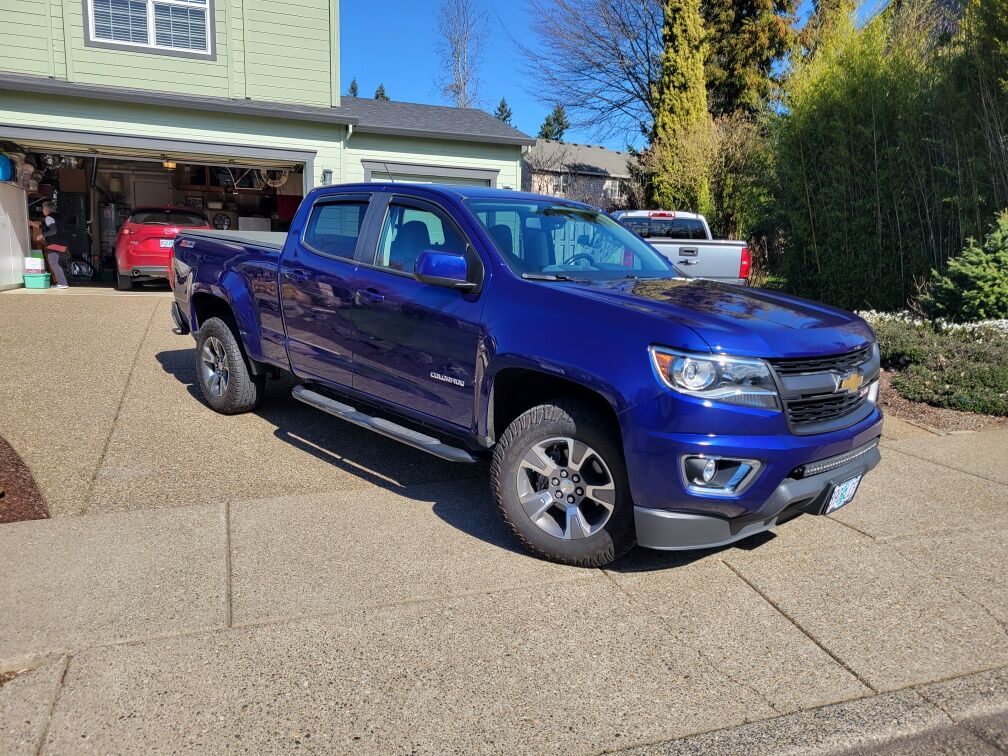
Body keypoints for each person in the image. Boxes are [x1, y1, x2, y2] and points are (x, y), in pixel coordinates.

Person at [28, 201, 70, 289]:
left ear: (46, 209)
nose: (42, 210)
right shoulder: (59, 216)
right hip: (63, 243)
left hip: (55, 244)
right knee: (57, 263)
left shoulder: (49, 217)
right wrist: (33, 224)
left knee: (53, 262)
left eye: (43, 208)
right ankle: (62, 282)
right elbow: (47, 227)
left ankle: (63, 283)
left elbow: (53, 230)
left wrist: (42, 235)